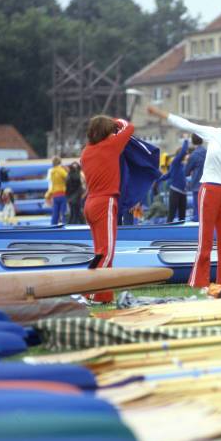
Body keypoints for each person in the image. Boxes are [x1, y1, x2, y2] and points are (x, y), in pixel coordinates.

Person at [148, 105, 221, 288]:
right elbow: (186, 124)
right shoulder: (213, 134)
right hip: (210, 190)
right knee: (205, 241)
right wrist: (162, 114)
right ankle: (198, 282)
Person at [80, 115, 134, 303]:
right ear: (107, 132)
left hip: (90, 203)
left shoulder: (86, 152)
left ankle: (104, 295)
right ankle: (89, 293)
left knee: (100, 251)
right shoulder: (111, 146)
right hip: (105, 203)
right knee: (107, 252)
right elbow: (129, 127)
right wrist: (116, 122)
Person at [159, 138, 189, 222]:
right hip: (175, 192)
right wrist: (186, 140)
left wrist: (160, 178)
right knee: (171, 214)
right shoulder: (175, 162)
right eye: (186, 154)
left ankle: (182, 233)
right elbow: (183, 151)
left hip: (183, 193)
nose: (187, 155)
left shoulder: (182, 165)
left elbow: (168, 175)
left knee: (182, 216)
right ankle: (167, 232)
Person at [184, 133, 207, 221]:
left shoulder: (194, 155)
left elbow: (186, 172)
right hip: (208, 185)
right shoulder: (207, 152)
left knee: (197, 212)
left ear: (193, 141)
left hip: (197, 186)